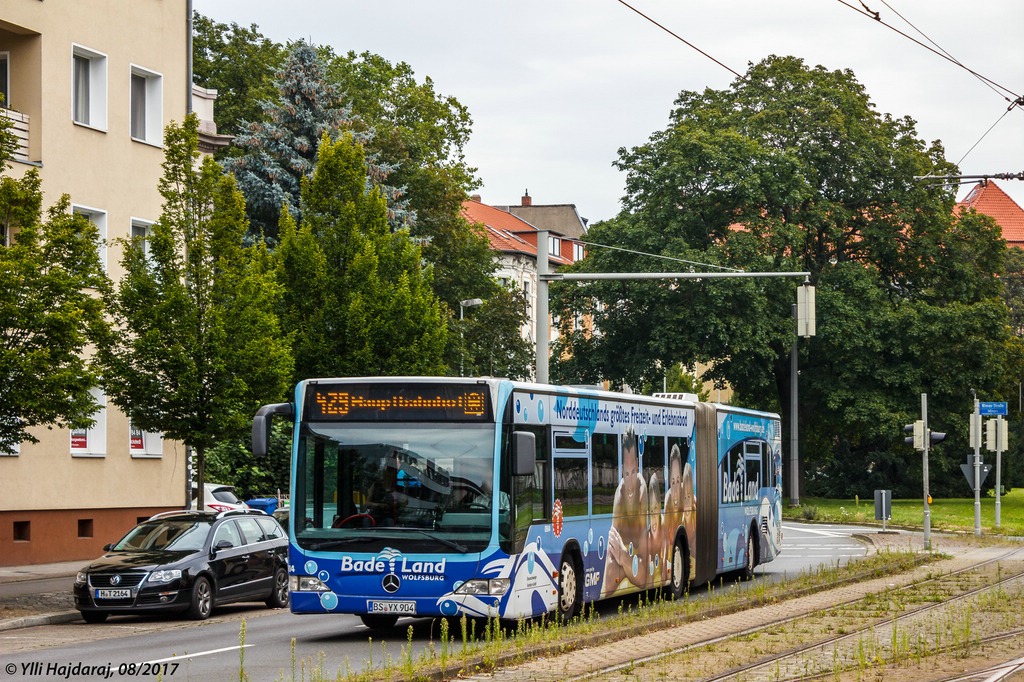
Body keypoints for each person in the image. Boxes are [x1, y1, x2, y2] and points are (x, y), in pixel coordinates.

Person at [602, 428, 649, 596]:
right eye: (627, 474)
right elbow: (610, 564)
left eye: (634, 472)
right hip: (625, 550)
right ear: (622, 471)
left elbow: (642, 579)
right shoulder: (619, 494)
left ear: (637, 464)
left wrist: (623, 557)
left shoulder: (642, 493)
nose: (630, 484)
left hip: (633, 549)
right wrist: (623, 560)